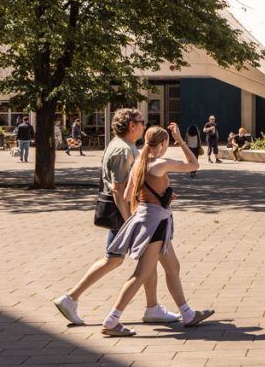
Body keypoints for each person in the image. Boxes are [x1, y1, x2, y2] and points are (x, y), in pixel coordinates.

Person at [53, 108, 179, 327]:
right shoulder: (123, 150)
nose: (144, 125)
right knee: (120, 259)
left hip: (131, 213)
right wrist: (131, 221)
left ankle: (152, 307)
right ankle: (73, 299)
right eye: (141, 121)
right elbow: (119, 191)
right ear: (132, 125)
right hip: (127, 214)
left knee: (134, 260)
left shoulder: (123, 146)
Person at [99, 123, 214, 336]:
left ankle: (187, 314)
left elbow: (127, 196)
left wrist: (158, 196)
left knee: (173, 267)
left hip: (147, 220)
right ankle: (111, 321)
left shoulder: (139, 163)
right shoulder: (159, 163)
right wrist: (181, 140)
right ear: (163, 143)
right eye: (168, 142)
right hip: (155, 224)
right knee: (141, 274)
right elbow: (194, 164)